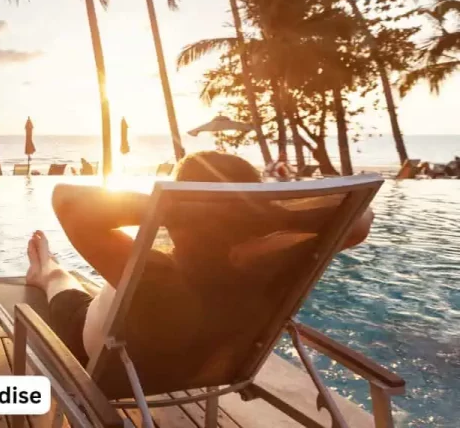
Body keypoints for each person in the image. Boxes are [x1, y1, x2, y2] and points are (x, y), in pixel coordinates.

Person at [23, 151, 375, 370]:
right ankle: (53, 269)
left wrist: (178, 209)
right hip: (195, 357)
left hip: (94, 342)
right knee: (95, 283)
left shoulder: (159, 275)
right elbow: (360, 220)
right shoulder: (271, 267)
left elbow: (67, 199)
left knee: (59, 282)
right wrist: (256, 212)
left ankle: (47, 269)